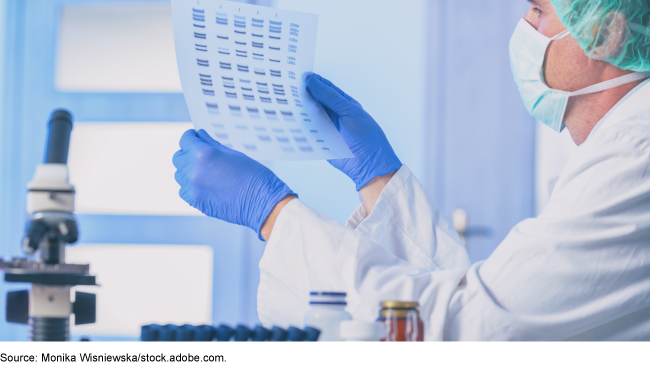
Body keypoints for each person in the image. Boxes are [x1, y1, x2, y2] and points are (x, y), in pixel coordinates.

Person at [173, 0, 650, 340]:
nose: (524, 25)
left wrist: (272, 213)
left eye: (539, 11)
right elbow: (476, 301)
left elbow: (475, 331)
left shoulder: (636, 151)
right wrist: (379, 182)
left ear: (607, 33)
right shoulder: (621, 144)